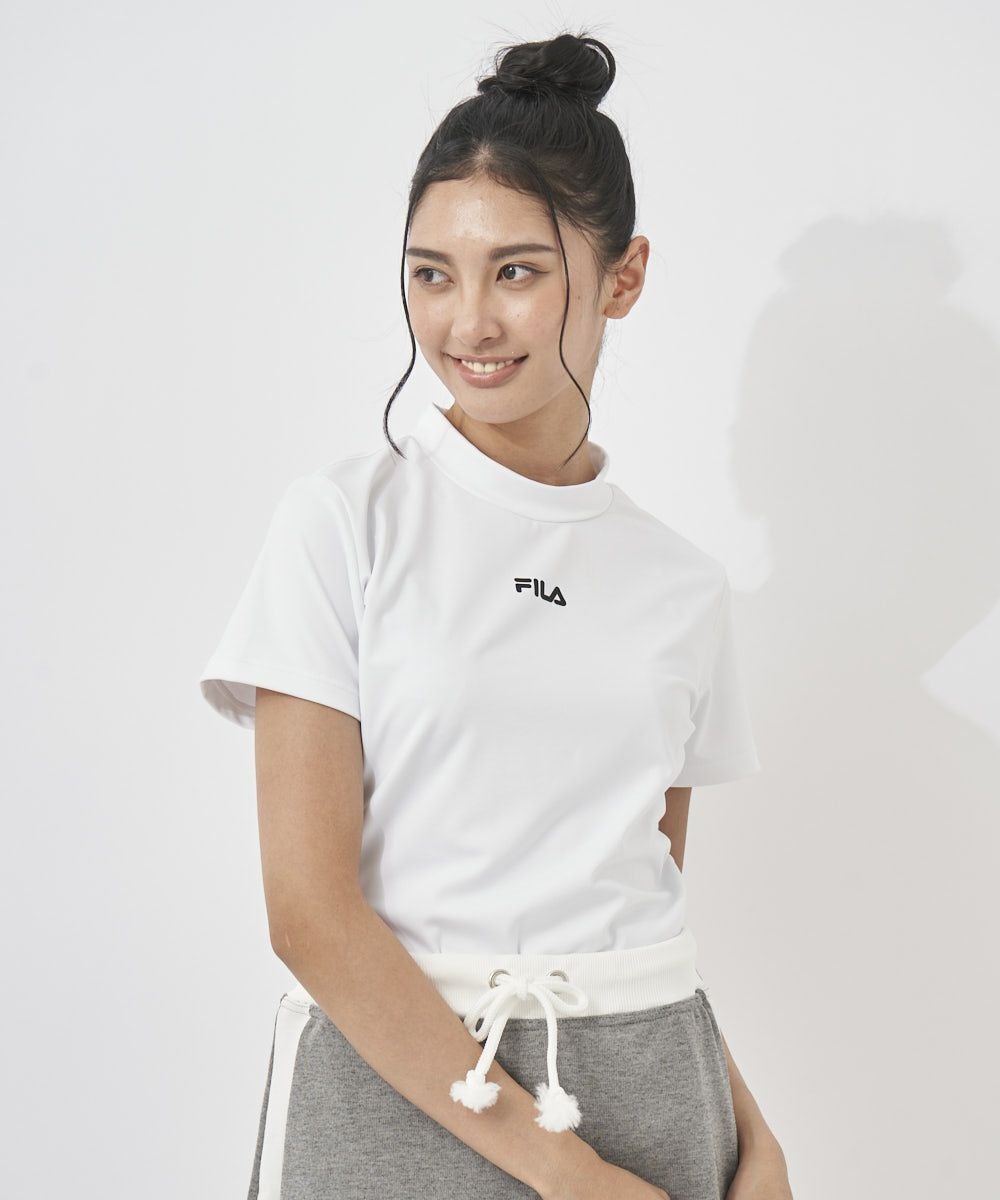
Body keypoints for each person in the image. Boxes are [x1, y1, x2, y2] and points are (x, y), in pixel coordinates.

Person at [198, 29, 793, 1200]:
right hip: (398, 1092)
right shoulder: (344, 524)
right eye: (432, 273)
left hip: (656, 1100)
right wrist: (564, 1174)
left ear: (622, 278)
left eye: (515, 271)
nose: (466, 321)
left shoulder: (678, 584)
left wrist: (751, 1132)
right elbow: (309, 913)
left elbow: (632, 910)